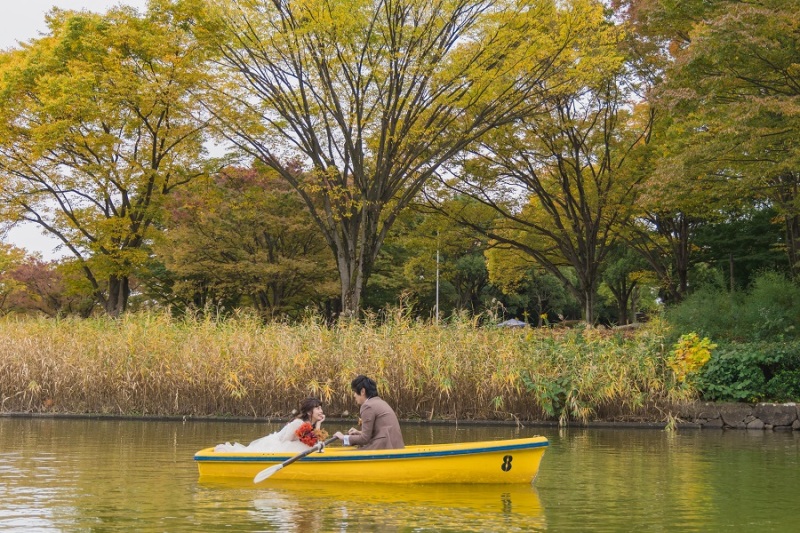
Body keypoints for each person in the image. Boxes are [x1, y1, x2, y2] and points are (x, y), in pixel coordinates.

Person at [214, 397, 327, 453]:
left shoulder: (310, 424)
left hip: (288, 445)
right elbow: (285, 442)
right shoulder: (298, 423)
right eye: (317, 408)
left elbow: (316, 442)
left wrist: (318, 424)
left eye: (320, 408)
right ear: (309, 412)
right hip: (279, 445)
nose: (321, 411)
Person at [333, 375, 404, 450]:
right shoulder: (380, 402)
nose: (354, 395)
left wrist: (343, 437)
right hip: (396, 446)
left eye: (355, 392)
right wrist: (359, 432)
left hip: (384, 447)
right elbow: (379, 432)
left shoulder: (367, 406)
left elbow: (364, 439)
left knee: (350, 453)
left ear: (362, 391)